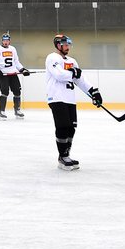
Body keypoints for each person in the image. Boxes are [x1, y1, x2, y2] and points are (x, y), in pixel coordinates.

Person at [45, 34, 102, 170]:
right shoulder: (52, 58)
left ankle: (66, 154)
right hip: (57, 97)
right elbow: (59, 75)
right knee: (62, 126)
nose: (67, 47)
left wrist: (93, 91)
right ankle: (62, 157)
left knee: (71, 128)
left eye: (69, 44)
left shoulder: (72, 61)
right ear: (58, 45)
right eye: (65, 44)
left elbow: (79, 79)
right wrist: (73, 72)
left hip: (70, 99)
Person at [0, 32, 31, 120]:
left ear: (10, 41)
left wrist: (23, 70)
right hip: (3, 74)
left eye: (7, 40)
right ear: (2, 41)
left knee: (17, 91)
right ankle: (2, 111)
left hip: (13, 73)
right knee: (5, 92)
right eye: (4, 40)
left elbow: (16, 62)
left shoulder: (13, 49)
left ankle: (17, 110)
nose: (5, 42)